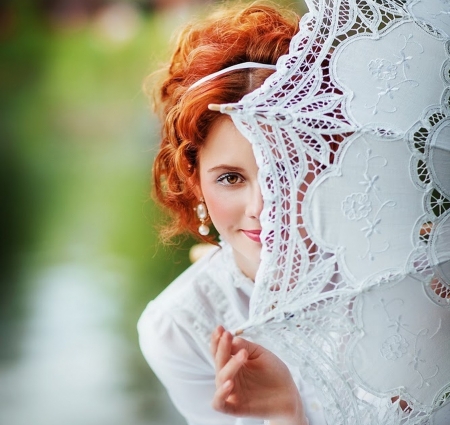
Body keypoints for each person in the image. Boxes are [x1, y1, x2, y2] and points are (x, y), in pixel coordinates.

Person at [138, 2, 326, 424]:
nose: (263, 208)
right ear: (195, 181)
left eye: (286, 171)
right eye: (230, 178)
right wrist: (283, 412)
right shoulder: (180, 330)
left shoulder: (414, 268)